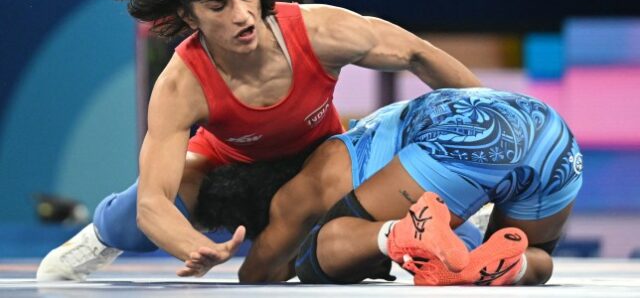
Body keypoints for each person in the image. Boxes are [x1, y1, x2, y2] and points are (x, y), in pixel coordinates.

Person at [36, 0, 480, 281]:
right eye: (218, 5)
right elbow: (154, 204)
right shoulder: (180, 84)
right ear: (187, 15)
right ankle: (97, 238)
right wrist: (197, 248)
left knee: (385, 232)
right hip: (226, 165)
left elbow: (417, 54)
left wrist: (504, 112)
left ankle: (470, 220)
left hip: (320, 161)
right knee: (140, 216)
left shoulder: (321, 31)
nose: (242, 15)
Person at [189, 88, 582, 286]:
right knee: (514, 251)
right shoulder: (371, 137)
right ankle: (517, 268)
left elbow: (257, 275)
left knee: (320, 254)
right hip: (553, 135)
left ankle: (398, 233)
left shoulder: (307, 184)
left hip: (472, 138)